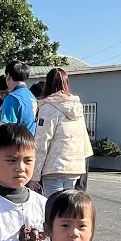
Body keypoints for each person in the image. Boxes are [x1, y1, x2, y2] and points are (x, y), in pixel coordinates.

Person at [32, 68, 93, 196]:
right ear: (66, 83)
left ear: (48, 84)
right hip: (75, 168)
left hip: (54, 167)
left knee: (52, 209)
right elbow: (83, 139)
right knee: (65, 209)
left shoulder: (48, 107)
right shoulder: (77, 107)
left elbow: (42, 143)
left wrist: (34, 175)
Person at [0, 60, 37, 133]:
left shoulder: (12, 98)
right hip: (31, 141)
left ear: (8, 76)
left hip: (16, 143)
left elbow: (6, 129)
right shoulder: (32, 97)